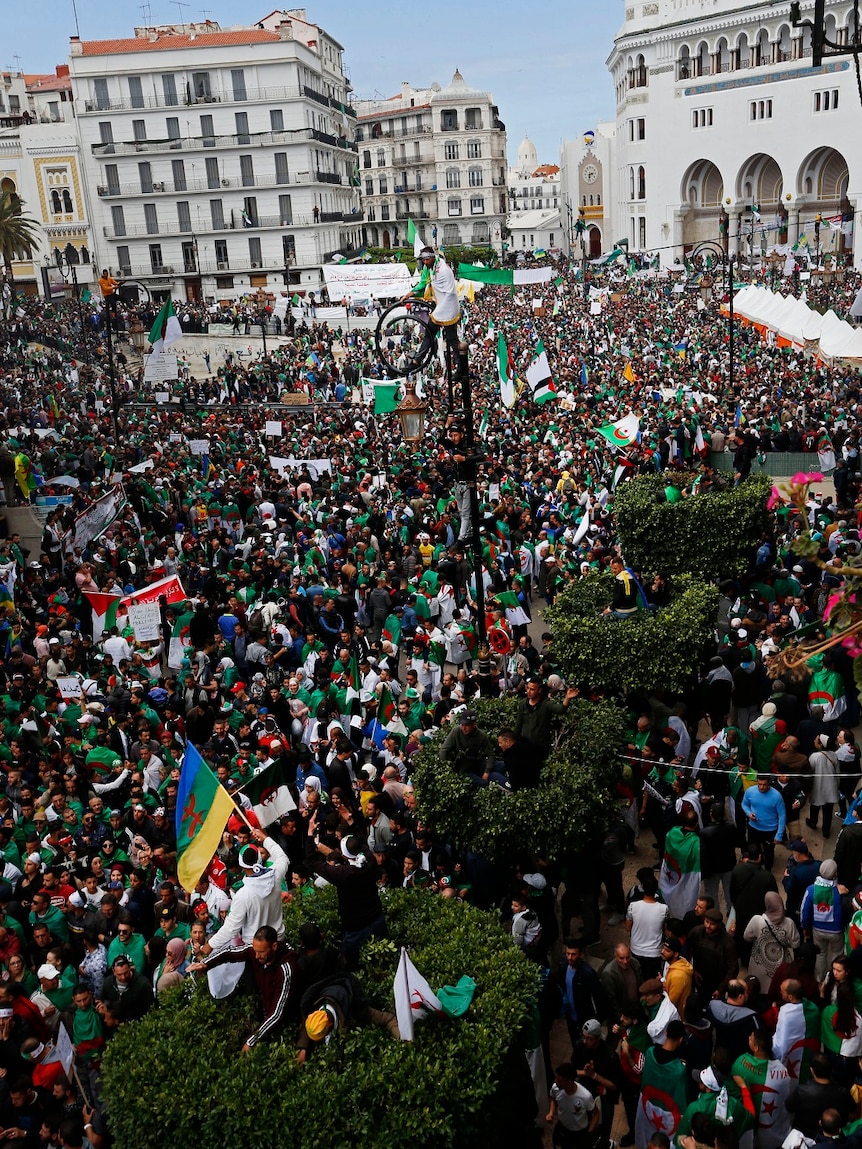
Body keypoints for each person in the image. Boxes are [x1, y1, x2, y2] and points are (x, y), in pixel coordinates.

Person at [188, 925, 298, 1051]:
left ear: (274, 946)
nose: (256, 956)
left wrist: (252, 1041)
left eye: (261, 952)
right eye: (255, 951)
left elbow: (277, 1013)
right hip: (263, 1019)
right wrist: (205, 964)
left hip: (282, 1028)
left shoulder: (286, 969)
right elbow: (229, 953)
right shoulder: (256, 950)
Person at [400, 247, 461, 368]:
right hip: (441, 305)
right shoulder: (431, 265)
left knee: (449, 338)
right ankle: (417, 360)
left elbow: (430, 287)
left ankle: (460, 366)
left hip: (446, 306)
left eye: (426, 260)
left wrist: (410, 295)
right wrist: (408, 295)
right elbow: (423, 283)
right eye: (423, 260)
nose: (424, 263)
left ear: (432, 258)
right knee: (436, 335)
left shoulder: (441, 270)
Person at [744, 892, 800, 994]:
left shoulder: (756, 920)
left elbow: (747, 937)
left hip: (758, 967)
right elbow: (796, 944)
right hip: (781, 968)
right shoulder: (789, 923)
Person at [545, 1060, 599, 1149]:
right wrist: (551, 1112)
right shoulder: (556, 1088)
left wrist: (588, 1134)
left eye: (559, 1080)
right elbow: (553, 1099)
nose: (556, 1082)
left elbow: (596, 1114)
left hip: (579, 1134)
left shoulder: (585, 1096)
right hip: (562, 1128)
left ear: (569, 1081)